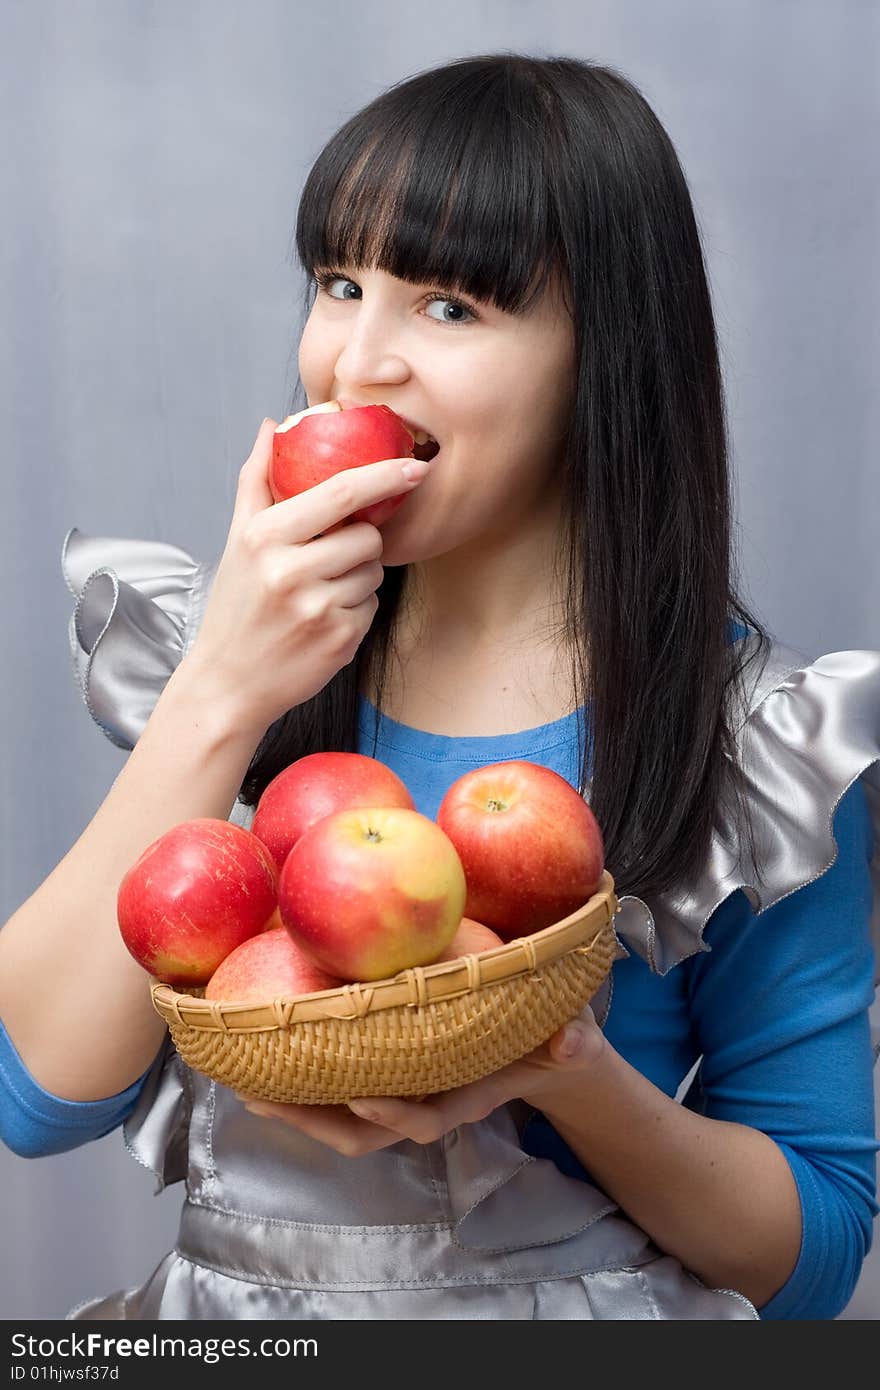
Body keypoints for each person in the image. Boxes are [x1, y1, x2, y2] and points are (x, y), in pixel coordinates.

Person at [1, 52, 878, 1322]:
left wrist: (569, 1070)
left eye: (450, 308)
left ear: (603, 355)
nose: (355, 364)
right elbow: (31, 1096)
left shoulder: (753, 745)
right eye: (338, 284)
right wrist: (223, 687)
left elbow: (813, 1260)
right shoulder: (234, 655)